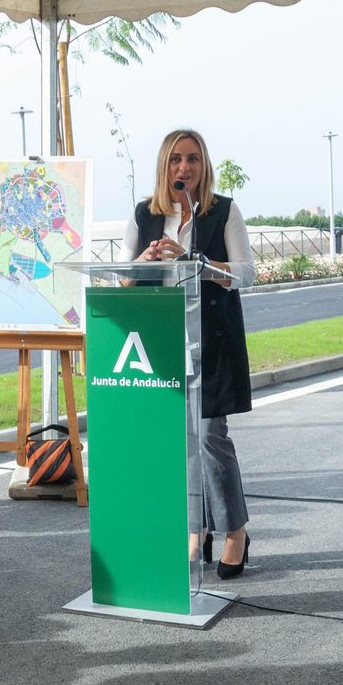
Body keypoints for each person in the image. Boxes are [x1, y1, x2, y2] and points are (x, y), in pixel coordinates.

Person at [126, 129, 257, 581]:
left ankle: (235, 531)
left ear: (204, 165)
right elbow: (124, 278)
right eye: (177, 159)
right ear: (165, 165)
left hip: (213, 341)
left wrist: (194, 261)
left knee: (210, 438)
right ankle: (195, 529)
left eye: (194, 159)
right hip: (162, 342)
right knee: (180, 442)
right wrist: (144, 261)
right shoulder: (144, 214)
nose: (185, 167)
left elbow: (246, 274)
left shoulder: (223, 211)